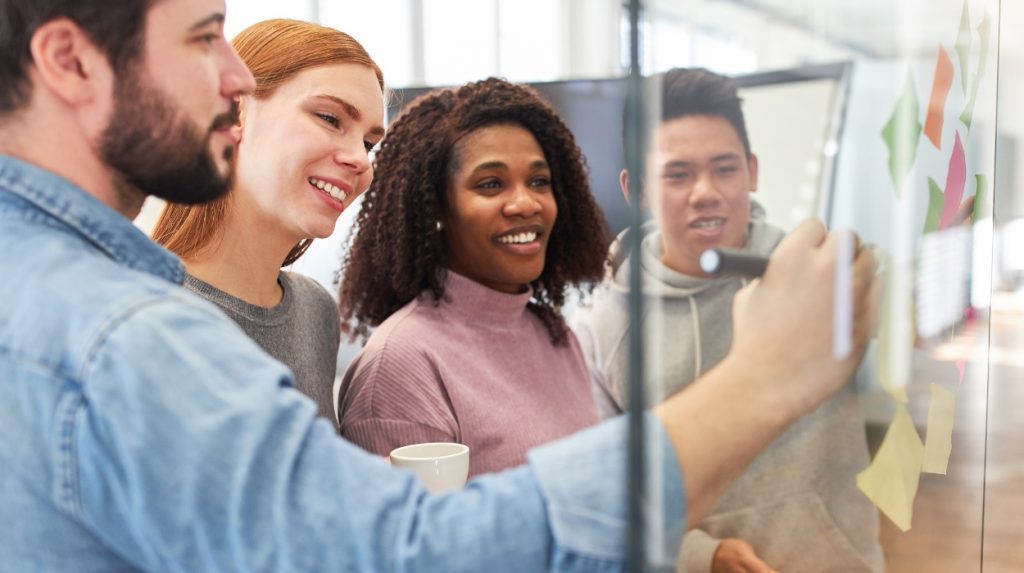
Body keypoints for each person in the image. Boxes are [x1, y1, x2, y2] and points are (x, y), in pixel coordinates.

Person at [0, 0, 879, 570]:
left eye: (372, 137)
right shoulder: (133, 335)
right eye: (203, 38)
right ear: (70, 63)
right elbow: (407, 551)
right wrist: (763, 379)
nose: (228, 77)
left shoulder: (300, 310)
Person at [571, 68, 884, 573]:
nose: (705, 192)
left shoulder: (815, 276)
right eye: (677, 174)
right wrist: (699, 555)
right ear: (637, 189)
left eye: (724, 168)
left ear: (752, 169)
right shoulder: (601, 329)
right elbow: (613, 494)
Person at [335, 78, 609, 476]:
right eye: (491, 184)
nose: (525, 203)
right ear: (435, 209)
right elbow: (419, 537)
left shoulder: (554, 336)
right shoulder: (401, 367)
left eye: (539, 181)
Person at [150, 19, 385, 424]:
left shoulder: (315, 311)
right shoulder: (151, 318)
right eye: (330, 119)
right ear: (232, 112)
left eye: (368, 143)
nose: (360, 160)